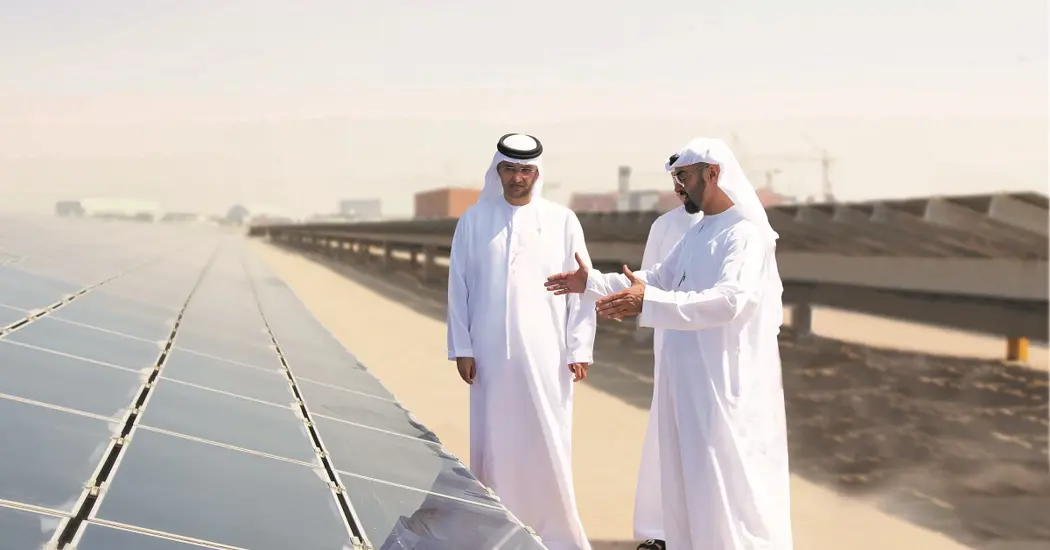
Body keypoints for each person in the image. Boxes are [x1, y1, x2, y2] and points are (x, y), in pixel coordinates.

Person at [544, 137, 793, 550]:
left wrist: (650, 303)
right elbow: (657, 279)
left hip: (719, 382)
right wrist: (590, 283)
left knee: (719, 484)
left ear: (712, 173)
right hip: (686, 377)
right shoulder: (700, 232)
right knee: (685, 481)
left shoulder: (743, 235)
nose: (679, 186)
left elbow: (732, 300)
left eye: (684, 176)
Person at [446, 133, 596, 550]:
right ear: (498, 171)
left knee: (547, 440)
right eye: (509, 169)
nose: (517, 177)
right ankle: (497, 529)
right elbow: (458, 287)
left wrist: (579, 347)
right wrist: (462, 347)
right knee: (494, 442)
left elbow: (582, 288)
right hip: (489, 354)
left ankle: (556, 535)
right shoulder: (474, 220)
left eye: (525, 170)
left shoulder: (563, 221)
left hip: (549, 354)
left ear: (537, 173)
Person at [633, 153, 703, 550]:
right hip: (673, 343)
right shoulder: (664, 226)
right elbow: (646, 283)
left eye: (686, 179)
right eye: (675, 180)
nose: (680, 188)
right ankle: (658, 530)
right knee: (668, 432)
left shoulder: (739, 226)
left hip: (715, 348)